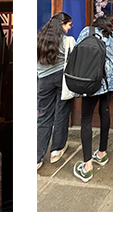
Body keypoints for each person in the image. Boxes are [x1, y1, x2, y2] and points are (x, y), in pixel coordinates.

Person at [71, 16, 113, 183]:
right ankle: (102, 153)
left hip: (91, 80)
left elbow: (77, 53)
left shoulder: (87, 31)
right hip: (110, 80)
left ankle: (87, 165)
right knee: (105, 113)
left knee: (86, 119)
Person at [37, 13, 74, 169]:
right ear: (62, 25)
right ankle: (56, 150)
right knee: (62, 112)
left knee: (44, 116)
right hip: (61, 78)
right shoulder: (68, 41)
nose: (70, 28)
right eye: (69, 25)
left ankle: (37, 157)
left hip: (43, 79)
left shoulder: (39, 39)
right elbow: (73, 61)